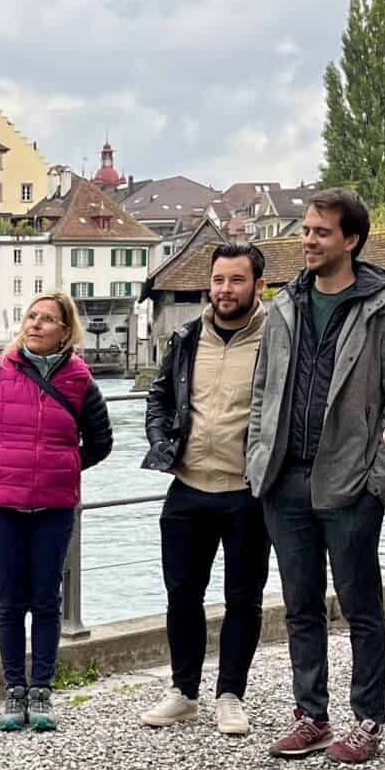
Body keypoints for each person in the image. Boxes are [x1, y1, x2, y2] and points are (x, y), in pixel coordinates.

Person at [245, 188, 385, 764]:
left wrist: (377, 483)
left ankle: (367, 720)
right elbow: (263, 390)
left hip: (351, 484)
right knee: (300, 605)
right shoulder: (286, 305)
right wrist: (258, 459)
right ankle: (311, 715)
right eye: (306, 230)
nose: (309, 241)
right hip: (284, 480)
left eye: (321, 232)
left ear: (351, 240)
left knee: (361, 606)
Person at [0, 290, 114, 732]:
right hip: (0, 506)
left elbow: (101, 442)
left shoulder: (81, 382)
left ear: (65, 330)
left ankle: (41, 688)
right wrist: (0, 465)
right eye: (31, 316)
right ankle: (14, 690)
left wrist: (59, 469)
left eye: (46, 319)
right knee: (9, 599)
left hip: (53, 507)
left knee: (46, 599)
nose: (35, 324)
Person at [140, 244, 271, 736]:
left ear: (259, 285)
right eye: (218, 280)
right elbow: (159, 397)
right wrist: (161, 443)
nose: (225, 290)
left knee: (244, 598)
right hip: (189, 486)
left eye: (236, 280)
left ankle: (230, 695)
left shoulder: (276, 341)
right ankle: (184, 692)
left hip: (246, 491)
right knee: (181, 595)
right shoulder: (187, 337)